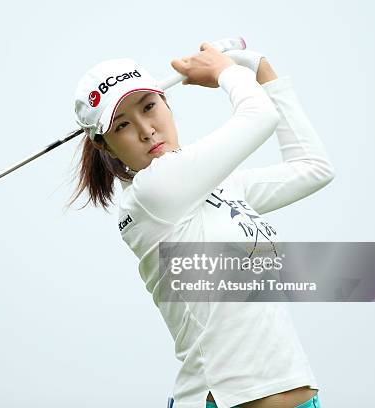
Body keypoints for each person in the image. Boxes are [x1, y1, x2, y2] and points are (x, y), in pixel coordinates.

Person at [67, 40, 334, 408]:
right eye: (123, 125)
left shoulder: (218, 185)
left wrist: (263, 71)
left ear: (167, 103)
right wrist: (226, 71)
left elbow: (313, 168)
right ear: (107, 146)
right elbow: (259, 116)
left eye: (149, 107)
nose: (146, 130)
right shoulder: (152, 193)